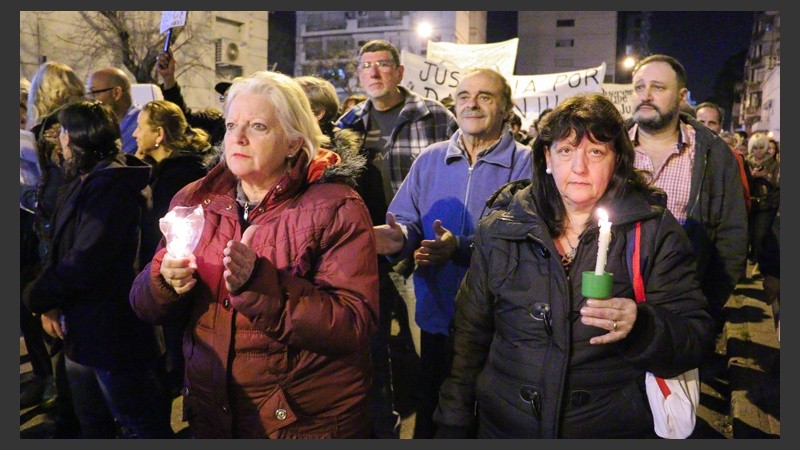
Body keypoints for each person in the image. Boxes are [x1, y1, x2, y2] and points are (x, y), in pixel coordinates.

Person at [433, 93, 715, 438]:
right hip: (504, 426)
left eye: (595, 152)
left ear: (617, 159)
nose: (579, 167)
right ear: (547, 158)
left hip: (609, 428)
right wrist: (453, 421)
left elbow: (694, 338)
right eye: (566, 150)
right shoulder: (501, 228)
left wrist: (642, 326)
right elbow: (469, 337)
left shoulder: (653, 232)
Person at [129, 71, 379, 438]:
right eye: (232, 125)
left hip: (300, 421)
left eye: (258, 126)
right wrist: (164, 281)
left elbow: (353, 323)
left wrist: (260, 285)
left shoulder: (336, 206)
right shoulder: (195, 199)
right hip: (213, 413)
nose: (238, 137)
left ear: (293, 142)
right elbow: (145, 305)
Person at [374, 68, 532, 438]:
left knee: (486, 419)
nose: (471, 104)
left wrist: (458, 248)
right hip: (437, 315)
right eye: (463, 96)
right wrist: (397, 238)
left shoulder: (528, 163)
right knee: (433, 408)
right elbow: (407, 222)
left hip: (500, 323)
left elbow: (525, 237)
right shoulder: (430, 159)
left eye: (485, 97)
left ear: (506, 108)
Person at [22, 100, 173, 439]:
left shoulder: (110, 188)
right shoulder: (89, 179)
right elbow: (62, 245)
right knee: (93, 422)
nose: (59, 139)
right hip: (86, 330)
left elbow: (86, 259)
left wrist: (38, 296)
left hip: (113, 333)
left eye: (63, 131)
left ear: (78, 138)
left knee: (139, 424)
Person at [336, 38, 458, 438]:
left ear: (400, 72)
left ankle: (435, 428)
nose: (374, 72)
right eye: (366, 65)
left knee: (432, 349)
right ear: (359, 74)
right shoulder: (347, 125)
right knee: (370, 350)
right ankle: (384, 428)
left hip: (420, 252)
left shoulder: (434, 116)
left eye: (383, 64)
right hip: (368, 255)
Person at [628, 54, 747, 333]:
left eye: (658, 87)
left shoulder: (715, 155)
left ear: (682, 97)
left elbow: (732, 237)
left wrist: (704, 306)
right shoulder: (606, 147)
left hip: (681, 313)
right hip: (611, 307)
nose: (646, 95)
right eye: (639, 87)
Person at [132, 99, 215, 397]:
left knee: (179, 358)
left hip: (180, 280)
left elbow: (157, 235)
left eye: (140, 127)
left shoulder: (177, 178)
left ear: (159, 134)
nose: (134, 134)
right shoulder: (168, 169)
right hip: (170, 279)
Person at [156, 51, 226, 147]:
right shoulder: (216, 124)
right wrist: (168, 78)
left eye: (233, 97)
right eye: (224, 97)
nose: (227, 102)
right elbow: (183, 118)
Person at [86, 67, 141, 155]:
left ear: (116, 93)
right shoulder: (101, 122)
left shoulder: (139, 123)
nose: (90, 100)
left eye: (95, 93)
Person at [745, 132, 779, 273]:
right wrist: (751, 176)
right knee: (747, 235)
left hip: (767, 204)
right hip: (749, 203)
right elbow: (742, 183)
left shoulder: (774, 164)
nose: (758, 151)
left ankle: (757, 261)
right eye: (755, 148)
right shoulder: (747, 162)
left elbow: (778, 184)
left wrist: (768, 178)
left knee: (761, 235)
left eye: (761, 148)